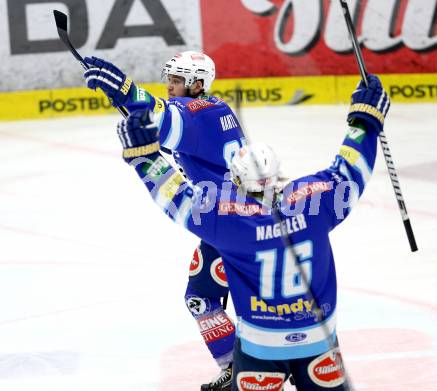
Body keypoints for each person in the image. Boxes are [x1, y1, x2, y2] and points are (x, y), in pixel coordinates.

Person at [113, 74, 389, 390]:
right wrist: (364, 121)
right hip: (318, 342)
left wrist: (144, 158)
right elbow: (349, 171)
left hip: (261, 349)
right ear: (277, 173)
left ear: (238, 179)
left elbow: (177, 197)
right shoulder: (315, 202)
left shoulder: (227, 220)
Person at [82, 51, 245, 390]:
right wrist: (124, 99)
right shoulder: (215, 110)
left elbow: (161, 116)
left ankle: (245, 370)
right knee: (211, 298)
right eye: (168, 78)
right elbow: (160, 123)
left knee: (207, 299)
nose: (170, 85)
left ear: (197, 84)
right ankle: (242, 369)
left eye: (177, 80)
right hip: (231, 220)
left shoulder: (196, 114)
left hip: (227, 225)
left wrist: (124, 88)